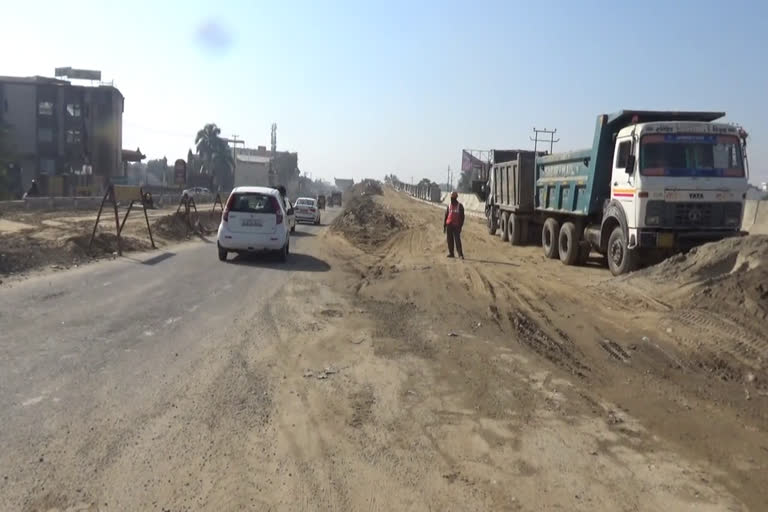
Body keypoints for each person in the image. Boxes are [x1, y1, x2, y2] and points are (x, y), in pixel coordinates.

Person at [443, 191, 465, 259]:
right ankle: (451, 253)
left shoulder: (460, 206)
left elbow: (462, 217)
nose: (452, 199)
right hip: (449, 224)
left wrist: (460, 226)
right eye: (451, 197)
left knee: (457, 240)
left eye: (453, 197)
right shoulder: (449, 206)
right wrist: (444, 225)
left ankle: (460, 254)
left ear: (456, 198)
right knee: (449, 240)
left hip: (456, 225)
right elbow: (446, 215)